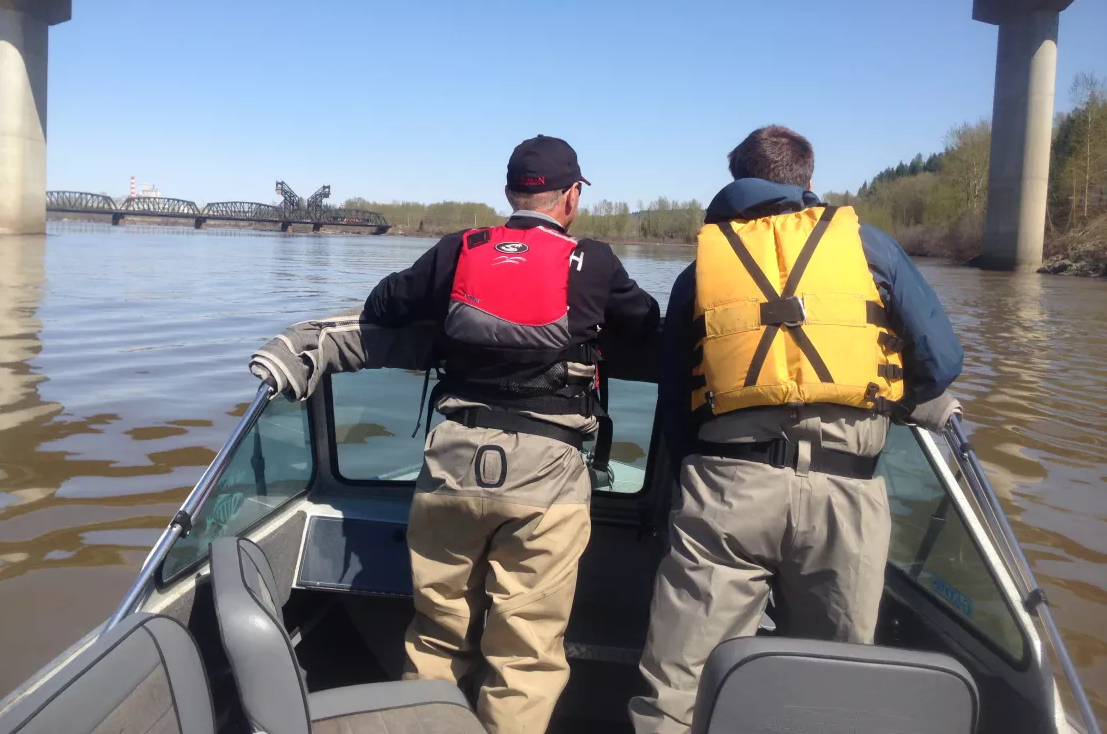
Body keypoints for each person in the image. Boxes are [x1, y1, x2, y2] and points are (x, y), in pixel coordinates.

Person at [629, 125, 964, 734]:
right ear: (809, 182)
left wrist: (692, 472)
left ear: (737, 184)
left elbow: (676, 395)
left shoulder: (701, 268)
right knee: (833, 689)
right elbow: (942, 362)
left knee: (679, 685)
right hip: (847, 495)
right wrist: (885, 396)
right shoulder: (872, 249)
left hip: (727, 489)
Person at [363, 135, 661, 734]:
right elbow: (649, 323)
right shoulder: (594, 263)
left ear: (508, 193)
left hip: (452, 462)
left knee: (435, 636)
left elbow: (383, 304)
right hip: (546, 475)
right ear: (571, 198)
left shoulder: (458, 250)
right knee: (524, 654)